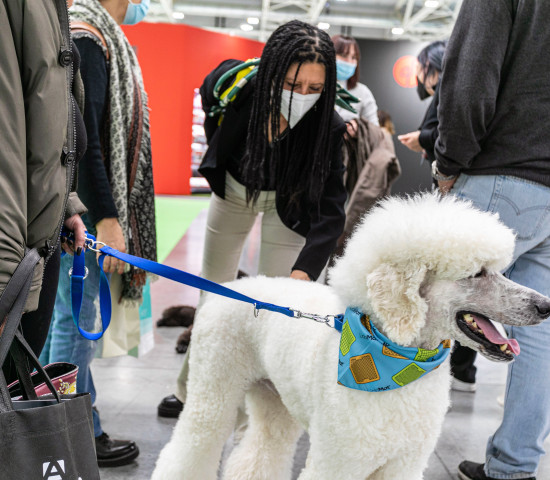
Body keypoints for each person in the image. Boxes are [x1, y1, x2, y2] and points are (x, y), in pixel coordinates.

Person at [157, 20, 347, 418]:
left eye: (315, 89)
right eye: (293, 85)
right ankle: (189, 391)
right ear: (273, 73)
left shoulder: (328, 126)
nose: (303, 96)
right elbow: (211, 103)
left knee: (275, 311)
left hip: (289, 206)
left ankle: (258, 407)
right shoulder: (240, 89)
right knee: (212, 299)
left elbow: (331, 211)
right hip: (235, 191)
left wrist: (304, 273)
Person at [434, 1, 550, 479]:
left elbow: (470, 76)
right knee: (540, 336)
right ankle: (513, 466)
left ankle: (391, 442)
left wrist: (448, 160)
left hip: (497, 177)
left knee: (430, 307)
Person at [39, 0, 157, 468]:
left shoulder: (88, 33)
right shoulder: (89, 37)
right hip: (81, 214)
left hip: (65, 207)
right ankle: (72, 435)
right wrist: (107, 216)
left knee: (60, 323)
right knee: (73, 325)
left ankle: (57, 423)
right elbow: (81, 140)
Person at [0, 0, 87, 383]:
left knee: (19, 404)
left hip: (37, 242)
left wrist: (65, 203)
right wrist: (3, 283)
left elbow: (49, 119)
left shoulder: (50, 8)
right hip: (13, 257)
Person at [398, 40, 446, 164]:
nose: (418, 77)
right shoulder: (442, 95)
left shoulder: (446, 92)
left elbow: (452, 133)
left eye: (419, 68)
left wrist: (422, 139)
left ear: (429, 65)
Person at [332, 34, 379, 137]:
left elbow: (375, 130)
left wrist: (358, 128)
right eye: (344, 56)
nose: (349, 62)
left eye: (353, 57)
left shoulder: (362, 92)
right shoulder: (317, 88)